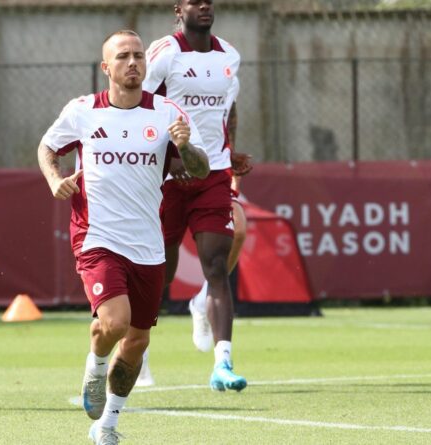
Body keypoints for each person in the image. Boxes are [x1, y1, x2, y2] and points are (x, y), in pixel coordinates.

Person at [38, 30, 209, 444]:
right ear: (106, 68)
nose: (133, 63)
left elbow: (201, 169)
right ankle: (94, 369)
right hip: (97, 237)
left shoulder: (167, 113)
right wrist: (54, 179)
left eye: (138, 56)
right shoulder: (82, 111)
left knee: (137, 340)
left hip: (147, 244)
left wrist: (186, 148)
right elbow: (47, 146)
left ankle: (107, 426)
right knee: (115, 321)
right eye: (123, 57)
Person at [141, 0, 253, 392]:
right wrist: (165, 158)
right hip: (167, 179)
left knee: (217, 264)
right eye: (194, 1)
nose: (203, 5)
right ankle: (138, 355)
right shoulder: (164, 53)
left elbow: (229, 106)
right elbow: (139, 105)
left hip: (214, 174)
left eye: (208, 0)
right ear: (178, 9)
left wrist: (232, 150)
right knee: (159, 274)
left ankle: (223, 362)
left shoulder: (230, 56)